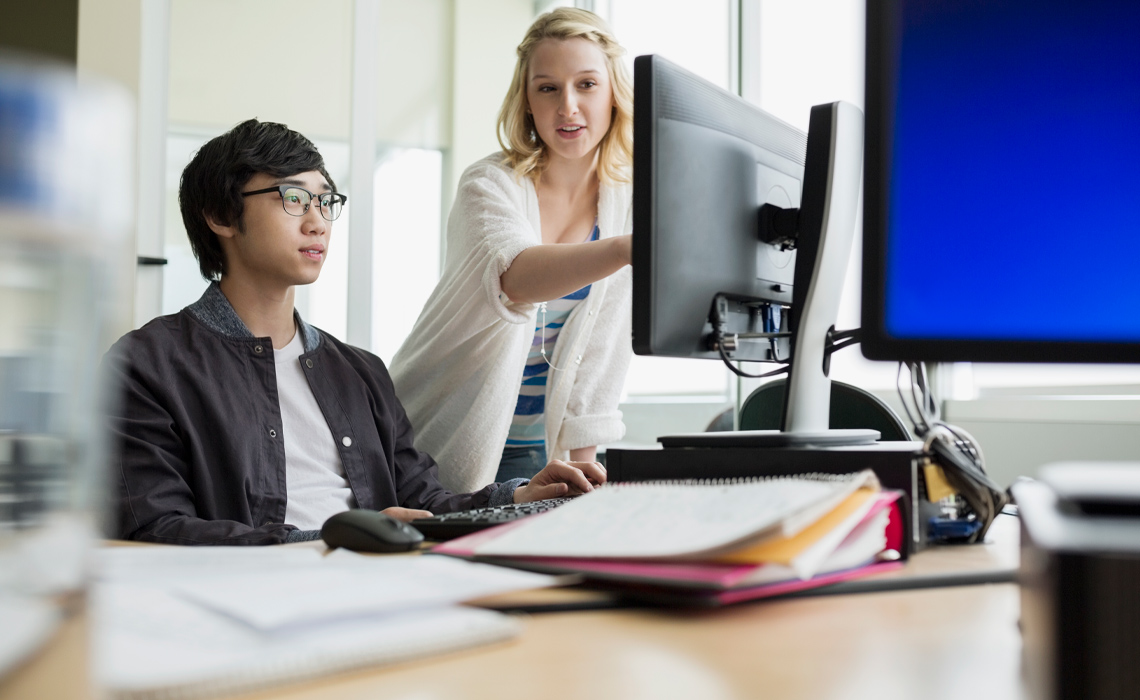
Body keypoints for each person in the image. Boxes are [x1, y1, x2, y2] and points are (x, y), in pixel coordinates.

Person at [104, 119, 605, 545]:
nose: (318, 222)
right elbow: (154, 528)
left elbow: (422, 500)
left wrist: (517, 496)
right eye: (294, 198)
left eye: (326, 201)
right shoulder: (148, 365)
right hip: (254, 603)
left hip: (380, 580)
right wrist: (339, 535)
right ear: (219, 216)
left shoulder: (360, 372)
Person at [390, 8, 634, 493]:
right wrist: (630, 248)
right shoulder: (489, 185)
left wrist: (585, 467)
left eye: (586, 84)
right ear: (526, 101)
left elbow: (602, 354)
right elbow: (515, 279)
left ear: (613, 95)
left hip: (541, 451)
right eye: (548, 88)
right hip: (432, 436)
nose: (568, 107)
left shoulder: (625, 204)